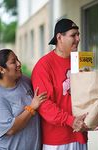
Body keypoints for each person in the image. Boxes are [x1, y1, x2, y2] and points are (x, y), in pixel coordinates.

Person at [31, 18, 88, 150]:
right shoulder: (44, 65)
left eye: (78, 35)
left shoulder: (79, 60)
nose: (78, 39)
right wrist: (71, 121)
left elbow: (88, 92)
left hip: (80, 134)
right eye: (73, 35)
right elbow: (44, 105)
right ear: (59, 37)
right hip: (57, 140)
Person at [0, 49, 47, 150]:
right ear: (1, 69)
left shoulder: (24, 81)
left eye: (18, 59)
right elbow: (11, 129)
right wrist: (31, 107)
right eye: (13, 62)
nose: (19, 64)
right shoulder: (0, 96)